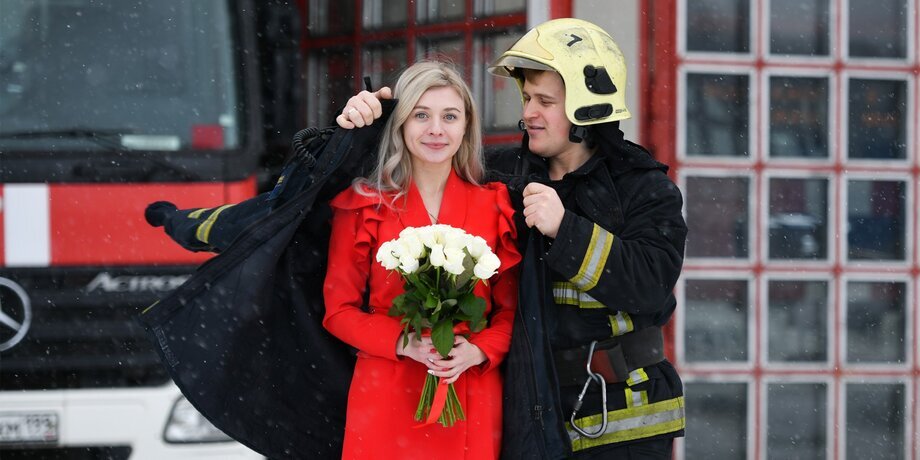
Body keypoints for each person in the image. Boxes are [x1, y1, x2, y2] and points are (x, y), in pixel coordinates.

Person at [337, 18, 687, 459]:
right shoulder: (505, 177)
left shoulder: (645, 187)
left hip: (623, 416)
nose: (528, 114)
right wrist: (367, 123)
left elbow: (649, 284)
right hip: (532, 411)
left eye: (545, 101)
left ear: (588, 106)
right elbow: (424, 155)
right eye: (526, 98)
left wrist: (568, 230)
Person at [322, 60, 521, 459]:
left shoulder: (495, 205)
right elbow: (338, 311)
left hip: (469, 391)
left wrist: (479, 350)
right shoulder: (364, 205)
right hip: (386, 391)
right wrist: (403, 342)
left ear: (466, 126)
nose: (436, 130)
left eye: (450, 116)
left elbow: (512, 313)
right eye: (421, 115)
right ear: (401, 125)